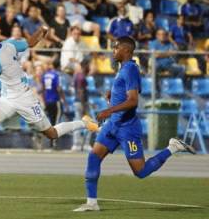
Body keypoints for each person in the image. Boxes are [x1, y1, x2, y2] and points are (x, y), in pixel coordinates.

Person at [73, 36, 196, 212]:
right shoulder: (125, 68)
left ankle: (173, 147)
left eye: (116, 48)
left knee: (141, 171)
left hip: (127, 128)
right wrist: (113, 93)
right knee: (93, 157)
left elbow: (133, 101)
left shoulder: (130, 69)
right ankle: (92, 203)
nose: (113, 51)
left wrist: (109, 110)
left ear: (125, 50)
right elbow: (129, 92)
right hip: (112, 125)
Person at [0, 28, 100, 161]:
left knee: (52, 133)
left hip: (25, 99)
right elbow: (30, 42)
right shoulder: (9, 44)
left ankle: (84, 123)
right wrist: (41, 31)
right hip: (7, 99)